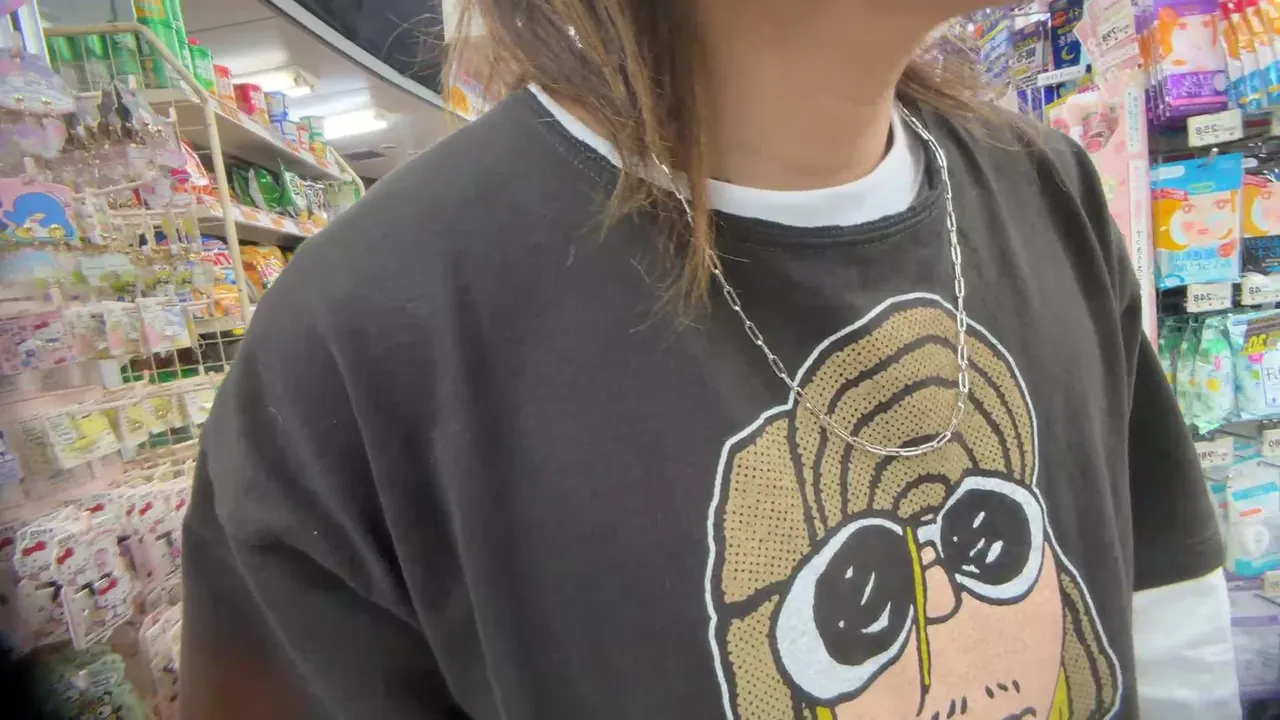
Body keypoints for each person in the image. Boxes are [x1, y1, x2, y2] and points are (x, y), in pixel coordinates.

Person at [181, 1, 1241, 718]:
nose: (951, 614)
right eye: (859, 610)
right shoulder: (358, 350)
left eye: (988, 545)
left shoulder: (1051, 198)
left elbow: (1167, 613)